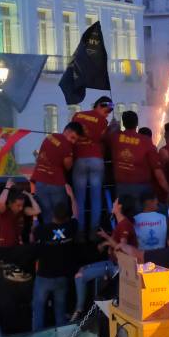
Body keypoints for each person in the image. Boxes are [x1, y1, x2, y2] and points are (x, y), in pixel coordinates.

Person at [71, 95, 114, 238]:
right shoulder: (103, 122)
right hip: (96, 160)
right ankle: (93, 233)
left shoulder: (78, 115)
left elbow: (71, 133)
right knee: (96, 198)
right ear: (99, 106)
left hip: (79, 160)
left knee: (79, 199)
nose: (107, 114)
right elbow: (103, 139)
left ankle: (80, 233)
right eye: (107, 110)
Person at [32, 202, 78, 330]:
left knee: (38, 310)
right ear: (67, 217)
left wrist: (35, 218)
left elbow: (32, 237)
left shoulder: (42, 230)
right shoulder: (71, 228)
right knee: (60, 311)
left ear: (53, 214)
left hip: (44, 277)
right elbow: (76, 215)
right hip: (61, 277)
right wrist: (72, 197)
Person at [107, 110, 169, 203]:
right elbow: (158, 171)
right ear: (137, 123)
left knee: (123, 214)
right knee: (139, 215)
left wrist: (112, 126)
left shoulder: (115, 138)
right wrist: (168, 190)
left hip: (121, 186)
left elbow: (106, 135)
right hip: (141, 187)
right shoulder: (145, 141)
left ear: (123, 123)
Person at [31, 122, 83, 218]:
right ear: (67, 131)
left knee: (46, 215)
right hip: (56, 183)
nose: (73, 142)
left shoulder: (49, 137)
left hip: (40, 181)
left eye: (75, 140)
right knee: (60, 215)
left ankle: (48, 233)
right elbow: (68, 166)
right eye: (73, 137)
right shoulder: (67, 145)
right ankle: (59, 233)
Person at [0, 182, 40, 249]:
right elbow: (1, 202)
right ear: (10, 203)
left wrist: (30, 196)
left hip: (17, 246)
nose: (21, 208)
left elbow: (37, 211)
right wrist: (7, 187)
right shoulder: (4, 212)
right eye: (18, 205)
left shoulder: (22, 211)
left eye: (22, 205)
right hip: (6, 247)